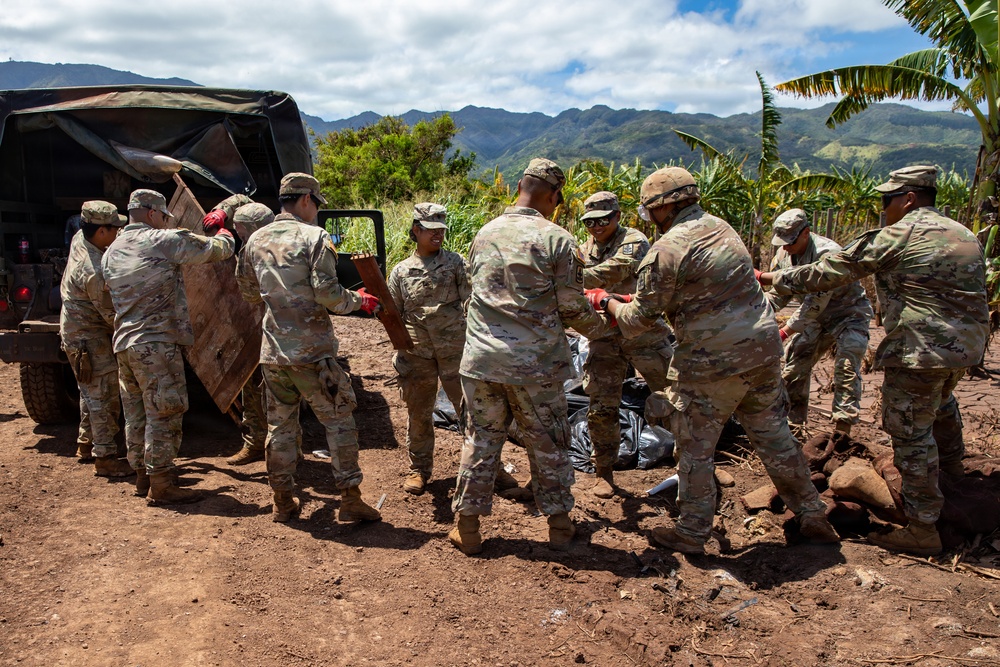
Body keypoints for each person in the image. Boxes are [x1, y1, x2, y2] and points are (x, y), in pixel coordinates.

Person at [603, 166, 839, 555]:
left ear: (663, 207)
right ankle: (812, 513)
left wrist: (605, 301)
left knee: (695, 445)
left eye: (648, 212)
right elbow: (701, 292)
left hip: (714, 362)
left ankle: (692, 531)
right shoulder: (721, 228)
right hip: (762, 350)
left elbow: (637, 322)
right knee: (775, 438)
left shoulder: (667, 248)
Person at [760, 165, 989, 556]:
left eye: (888, 200)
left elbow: (839, 269)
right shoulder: (962, 232)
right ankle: (953, 475)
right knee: (943, 408)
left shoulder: (903, 232)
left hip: (922, 350)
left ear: (910, 199)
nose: (885, 208)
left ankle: (922, 527)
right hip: (964, 348)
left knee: (910, 433)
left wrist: (771, 279)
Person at [449, 158, 611, 555]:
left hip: (482, 360)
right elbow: (572, 306)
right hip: (535, 366)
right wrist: (603, 329)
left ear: (519, 187)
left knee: (480, 440)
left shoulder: (484, 233)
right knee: (548, 443)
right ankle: (558, 527)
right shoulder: (558, 239)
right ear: (554, 196)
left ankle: (467, 528)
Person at [235, 172, 382, 524]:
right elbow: (328, 295)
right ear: (305, 200)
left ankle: (283, 502)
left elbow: (248, 292)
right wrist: (359, 301)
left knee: (280, 427)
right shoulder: (315, 237)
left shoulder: (255, 240)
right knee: (339, 421)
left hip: (273, 353)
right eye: (316, 203)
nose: (316, 210)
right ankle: (350, 499)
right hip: (313, 354)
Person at [101, 189, 235, 504]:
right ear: (151, 214)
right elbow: (217, 250)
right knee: (165, 411)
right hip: (157, 343)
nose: (164, 222)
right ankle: (162, 485)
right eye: (163, 216)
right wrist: (225, 228)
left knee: (136, 414)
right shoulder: (161, 240)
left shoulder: (111, 250)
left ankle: (142, 477)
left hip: (124, 344)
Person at [578, 191, 672, 498]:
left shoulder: (634, 240)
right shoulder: (584, 249)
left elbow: (617, 269)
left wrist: (572, 277)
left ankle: (698, 465)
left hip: (643, 332)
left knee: (677, 395)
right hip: (605, 338)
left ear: (617, 216)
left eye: (603, 220)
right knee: (601, 405)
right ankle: (603, 470)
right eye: (590, 221)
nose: (596, 226)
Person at [387, 203, 471, 495]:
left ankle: (489, 469)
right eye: (431, 230)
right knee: (419, 415)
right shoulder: (401, 271)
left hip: (455, 353)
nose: (438, 235)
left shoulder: (456, 263)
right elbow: (393, 314)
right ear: (416, 230)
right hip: (416, 354)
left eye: (441, 230)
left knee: (470, 412)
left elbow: (470, 302)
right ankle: (419, 470)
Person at [765, 208, 873, 435]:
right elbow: (779, 292)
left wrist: (783, 332)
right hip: (815, 319)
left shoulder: (828, 254)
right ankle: (794, 427)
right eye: (781, 242)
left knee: (846, 369)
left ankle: (842, 435)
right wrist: (758, 313)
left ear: (806, 233)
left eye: (790, 242)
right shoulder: (783, 254)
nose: (785, 247)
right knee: (794, 368)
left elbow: (815, 303)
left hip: (848, 314)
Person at [59, 200, 133, 478]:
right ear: (101, 231)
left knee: (89, 390)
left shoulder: (81, 236)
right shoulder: (94, 271)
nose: (118, 233)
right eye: (115, 229)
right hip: (88, 337)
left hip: (75, 333)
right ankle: (106, 457)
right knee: (104, 395)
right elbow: (110, 316)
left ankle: (86, 443)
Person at [211, 201, 277, 467]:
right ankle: (255, 442)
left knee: (278, 394)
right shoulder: (248, 250)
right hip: (251, 332)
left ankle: (283, 449)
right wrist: (222, 211)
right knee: (250, 387)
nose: (238, 236)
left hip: (277, 334)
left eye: (241, 232)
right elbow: (240, 196)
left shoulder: (278, 252)